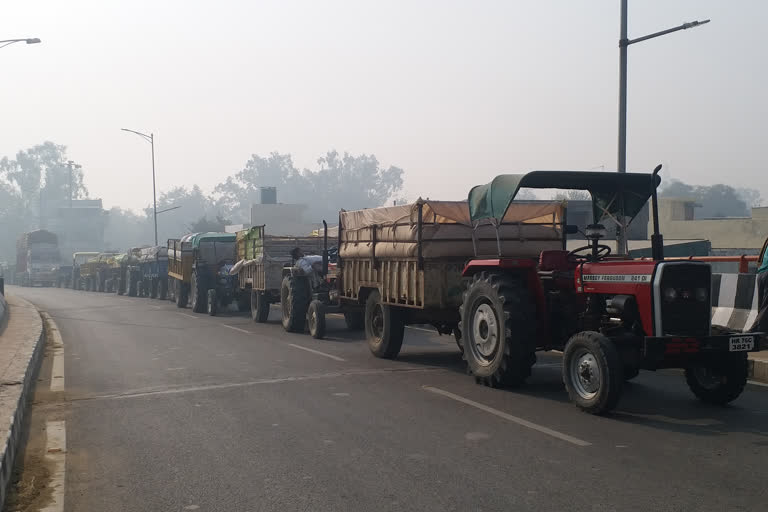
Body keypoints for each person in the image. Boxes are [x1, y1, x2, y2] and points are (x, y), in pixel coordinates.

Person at [750, 237, 768, 333]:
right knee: (766, 307)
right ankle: (755, 332)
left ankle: (761, 332)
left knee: (762, 307)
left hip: (761, 273)